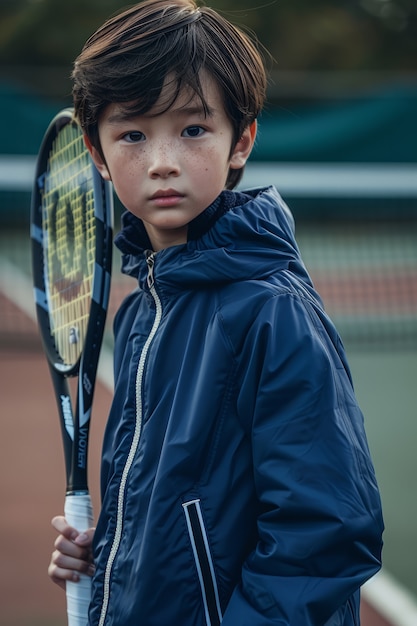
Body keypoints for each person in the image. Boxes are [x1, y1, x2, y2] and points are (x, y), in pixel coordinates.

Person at [48, 0, 384, 624]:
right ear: (97, 152)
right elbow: (183, 505)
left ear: (242, 141)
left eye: (193, 129)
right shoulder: (141, 314)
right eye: (132, 134)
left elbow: (326, 535)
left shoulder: (274, 314)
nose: (163, 161)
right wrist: (117, 554)